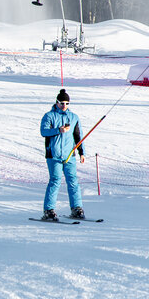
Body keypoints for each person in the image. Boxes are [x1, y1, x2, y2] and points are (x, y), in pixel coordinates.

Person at [40, 89, 85, 220]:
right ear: (57, 102)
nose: (64, 106)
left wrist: (81, 152)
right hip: (54, 156)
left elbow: (78, 136)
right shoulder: (49, 116)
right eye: (62, 103)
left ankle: (77, 208)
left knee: (73, 182)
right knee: (55, 181)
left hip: (69, 155)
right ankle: (49, 210)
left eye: (67, 103)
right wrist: (58, 130)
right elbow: (44, 132)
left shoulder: (74, 117)